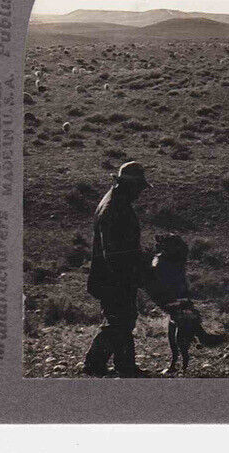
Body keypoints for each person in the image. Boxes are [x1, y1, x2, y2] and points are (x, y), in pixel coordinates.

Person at [83, 161, 152, 377]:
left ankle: (125, 366)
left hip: (114, 276)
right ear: (128, 185)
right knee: (119, 321)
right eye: (139, 187)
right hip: (115, 278)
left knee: (124, 319)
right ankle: (95, 363)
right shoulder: (114, 208)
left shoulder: (115, 202)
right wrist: (131, 274)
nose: (140, 193)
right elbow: (113, 252)